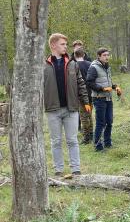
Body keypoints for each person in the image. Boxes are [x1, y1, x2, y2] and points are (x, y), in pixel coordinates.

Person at [44, 33, 91, 176]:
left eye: (66, 44)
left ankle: (76, 169)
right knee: (56, 141)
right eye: (62, 44)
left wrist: (86, 102)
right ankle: (58, 170)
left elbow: (81, 84)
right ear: (53, 45)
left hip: (71, 109)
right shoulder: (43, 66)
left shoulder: (72, 64)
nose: (66, 47)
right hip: (52, 110)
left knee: (72, 140)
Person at [86, 48, 122, 151]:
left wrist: (115, 87)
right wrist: (101, 88)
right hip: (99, 99)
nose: (107, 57)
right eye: (104, 55)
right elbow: (89, 82)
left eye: (108, 55)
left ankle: (107, 143)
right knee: (100, 123)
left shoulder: (107, 67)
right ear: (99, 56)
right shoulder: (94, 67)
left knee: (109, 121)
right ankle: (98, 146)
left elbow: (108, 83)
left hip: (108, 98)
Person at [74, 49, 93, 144]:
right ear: (84, 55)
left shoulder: (74, 65)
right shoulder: (90, 64)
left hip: (81, 94)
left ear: (74, 55)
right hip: (91, 93)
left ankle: (86, 137)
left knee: (83, 117)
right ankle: (91, 133)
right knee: (89, 115)